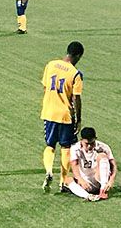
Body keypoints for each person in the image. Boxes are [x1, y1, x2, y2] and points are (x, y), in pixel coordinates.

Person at [40, 41, 84, 193]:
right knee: (66, 148)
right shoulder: (75, 74)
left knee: (50, 146)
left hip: (49, 112)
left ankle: (49, 170)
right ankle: (63, 182)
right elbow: (76, 98)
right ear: (78, 56)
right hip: (65, 115)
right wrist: (78, 119)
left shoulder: (51, 65)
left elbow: (45, 86)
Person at [65, 127, 116, 202]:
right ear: (81, 140)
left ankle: (103, 190)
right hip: (86, 181)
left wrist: (111, 180)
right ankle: (88, 196)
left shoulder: (103, 147)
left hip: (99, 178)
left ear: (95, 138)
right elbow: (74, 165)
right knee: (68, 180)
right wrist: (81, 180)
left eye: (92, 143)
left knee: (102, 156)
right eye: (86, 144)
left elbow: (113, 165)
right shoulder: (75, 148)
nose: (89, 146)